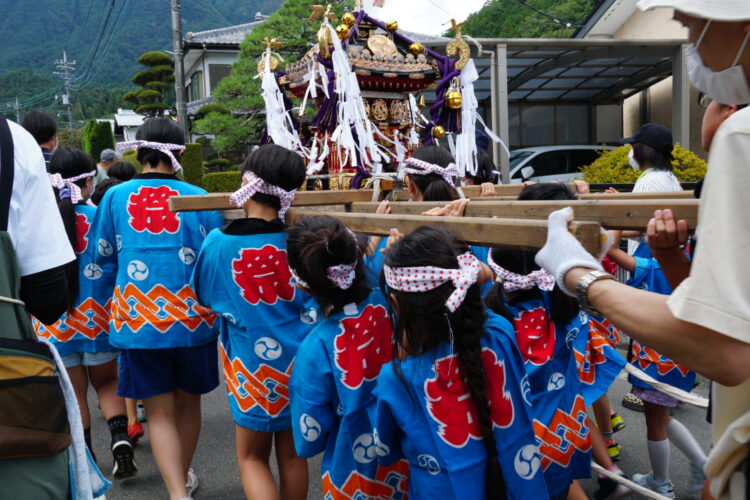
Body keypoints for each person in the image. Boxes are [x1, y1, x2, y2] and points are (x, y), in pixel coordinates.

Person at [535, 2, 750, 498]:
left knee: (654, 408)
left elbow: (728, 348)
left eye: (693, 17)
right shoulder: (672, 181)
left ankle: (666, 477)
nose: (685, 28)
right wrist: (671, 259)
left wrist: (580, 275)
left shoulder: (740, 139)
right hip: (672, 304)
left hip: (668, 327)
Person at [88, 117, 223, 500]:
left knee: (159, 411)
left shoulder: (114, 196)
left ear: (140, 150)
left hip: (137, 319)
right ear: (178, 153)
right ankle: (183, 477)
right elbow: (211, 260)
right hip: (193, 319)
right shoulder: (198, 196)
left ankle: (177, 493)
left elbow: (102, 258)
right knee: (187, 405)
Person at [375, 226, 548, 500]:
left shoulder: (398, 376)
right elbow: (478, 274)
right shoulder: (500, 332)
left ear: (396, 304)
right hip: (519, 481)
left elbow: (386, 450)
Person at [190, 144, 310, 500]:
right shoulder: (304, 242)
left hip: (252, 366)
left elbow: (205, 295)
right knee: (294, 455)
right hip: (302, 362)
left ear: (246, 182)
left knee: (251, 457)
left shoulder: (217, 243)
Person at [31, 147, 136, 478]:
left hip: (56, 322)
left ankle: (87, 459)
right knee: (108, 384)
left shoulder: (41, 222)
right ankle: (120, 440)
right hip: (100, 318)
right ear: (89, 181)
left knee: (74, 393)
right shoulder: (99, 218)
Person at [287, 215, 408, 499]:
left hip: (352, 471)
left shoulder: (314, 348)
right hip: (411, 455)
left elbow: (309, 439)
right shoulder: (395, 299)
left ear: (303, 283)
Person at [607, 232, 706, 497]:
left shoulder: (654, 266)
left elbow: (612, 248)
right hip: (679, 359)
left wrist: (616, 225)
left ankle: (661, 482)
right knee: (663, 416)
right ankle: (701, 465)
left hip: (655, 362)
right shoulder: (691, 265)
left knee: (655, 422)